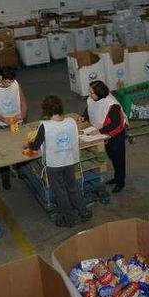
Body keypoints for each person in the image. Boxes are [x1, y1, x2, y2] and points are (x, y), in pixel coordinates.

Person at [28, 96, 92, 227]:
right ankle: (83, 211)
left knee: (60, 192)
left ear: (46, 111)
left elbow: (35, 146)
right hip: (69, 160)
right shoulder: (71, 122)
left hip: (54, 164)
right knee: (73, 187)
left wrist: (29, 144)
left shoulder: (45, 126)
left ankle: (68, 219)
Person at [0, 67, 28, 189]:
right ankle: (5, 179)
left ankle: (21, 172)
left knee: (20, 148)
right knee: (4, 153)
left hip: (16, 122)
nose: (9, 84)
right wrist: (2, 119)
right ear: (0, 78)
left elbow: (23, 102)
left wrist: (23, 114)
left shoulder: (15, 83)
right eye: (6, 82)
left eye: (11, 81)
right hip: (1, 125)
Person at [83, 80, 127, 193]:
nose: (89, 95)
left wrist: (99, 131)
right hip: (105, 135)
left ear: (99, 93)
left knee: (119, 159)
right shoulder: (93, 99)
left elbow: (116, 124)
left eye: (91, 93)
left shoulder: (112, 105)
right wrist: (84, 117)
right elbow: (89, 109)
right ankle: (116, 178)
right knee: (112, 156)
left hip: (116, 135)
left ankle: (120, 182)